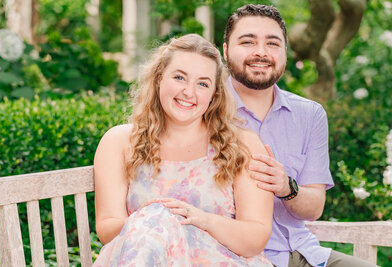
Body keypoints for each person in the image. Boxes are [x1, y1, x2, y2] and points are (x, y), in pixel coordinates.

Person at [92, 33, 274, 266]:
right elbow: (107, 226)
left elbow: (255, 237)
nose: (189, 92)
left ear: (214, 94)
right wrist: (153, 219)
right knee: (156, 217)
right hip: (142, 253)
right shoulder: (120, 142)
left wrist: (199, 219)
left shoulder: (242, 145)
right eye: (179, 77)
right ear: (159, 79)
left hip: (218, 260)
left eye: (202, 84)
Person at [223, 4, 377, 267]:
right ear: (225, 50)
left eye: (273, 43)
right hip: (232, 256)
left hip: (301, 253)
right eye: (248, 42)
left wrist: (286, 187)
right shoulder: (204, 109)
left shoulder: (310, 114)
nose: (261, 52)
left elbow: (314, 207)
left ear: (285, 52)